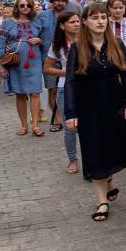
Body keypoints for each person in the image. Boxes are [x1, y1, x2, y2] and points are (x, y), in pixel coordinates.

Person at [63, 3, 126, 222]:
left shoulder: (117, 43)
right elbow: (70, 82)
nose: (100, 21)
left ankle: (109, 182)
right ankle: (102, 201)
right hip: (88, 103)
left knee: (112, 147)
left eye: (103, 17)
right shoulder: (77, 47)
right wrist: (70, 112)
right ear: (84, 21)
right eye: (94, 17)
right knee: (94, 149)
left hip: (113, 100)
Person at [0, 0, 46, 137]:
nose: (25, 8)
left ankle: (35, 126)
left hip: (34, 60)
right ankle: (24, 125)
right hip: (15, 61)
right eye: (22, 5)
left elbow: (44, 40)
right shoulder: (8, 23)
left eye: (28, 5)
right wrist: (2, 65)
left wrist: (39, 41)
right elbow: (0, 42)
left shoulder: (37, 22)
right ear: (17, 7)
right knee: (20, 94)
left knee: (35, 93)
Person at [44, 11, 81, 173]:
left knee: (88, 126)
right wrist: (67, 72)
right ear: (62, 25)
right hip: (65, 88)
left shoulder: (87, 41)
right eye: (72, 22)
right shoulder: (57, 45)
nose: (77, 24)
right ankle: (72, 160)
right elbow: (47, 68)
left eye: (78, 21)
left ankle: (90, 160)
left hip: (87, 88)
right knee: (70, 127)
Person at [38, 0, 70, 131]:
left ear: (66, 2)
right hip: (49, 55)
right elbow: (35, 31)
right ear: (51, 2)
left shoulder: (71, 15)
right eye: (57, 0)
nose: (60, 3)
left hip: (68, 55)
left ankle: (70, 117)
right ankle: (58, 120)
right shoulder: (42, 16)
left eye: (63, 0)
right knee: (52, 90)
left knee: (69, 88)